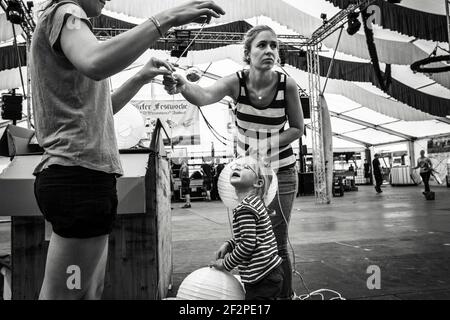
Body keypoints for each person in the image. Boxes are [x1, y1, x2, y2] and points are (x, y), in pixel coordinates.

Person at [31, 0, 225, 300]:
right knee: (67, 295)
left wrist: (139, 77)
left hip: (83, 180)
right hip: (78, 179)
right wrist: (167, 18)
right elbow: (96, 62)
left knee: (85, 293)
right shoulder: (68, 12)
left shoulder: (67, 24)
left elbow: (99, 112)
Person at [164, 25, 304, 299]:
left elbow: (297, 128)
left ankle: (285, 296)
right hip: (249, 177)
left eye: (274, 46)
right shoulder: (235, 82)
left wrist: (268, 143)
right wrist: (182, 84)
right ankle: (258, 293)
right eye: (262, 45)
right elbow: (202, 96)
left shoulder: (287, 84)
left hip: (282, 173)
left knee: (276, 243)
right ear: (248, 53)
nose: (269, 51)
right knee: (248, 233)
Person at [211, 156, 284, 300]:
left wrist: (225, 264)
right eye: (236, 166)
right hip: (270, 272)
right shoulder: (255, 203)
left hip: (261, 277)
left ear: (258, 183)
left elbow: (247, 244)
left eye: (246, 167)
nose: (237, 167)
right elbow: (250, 235)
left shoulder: (245, 208)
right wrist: (229, 244)